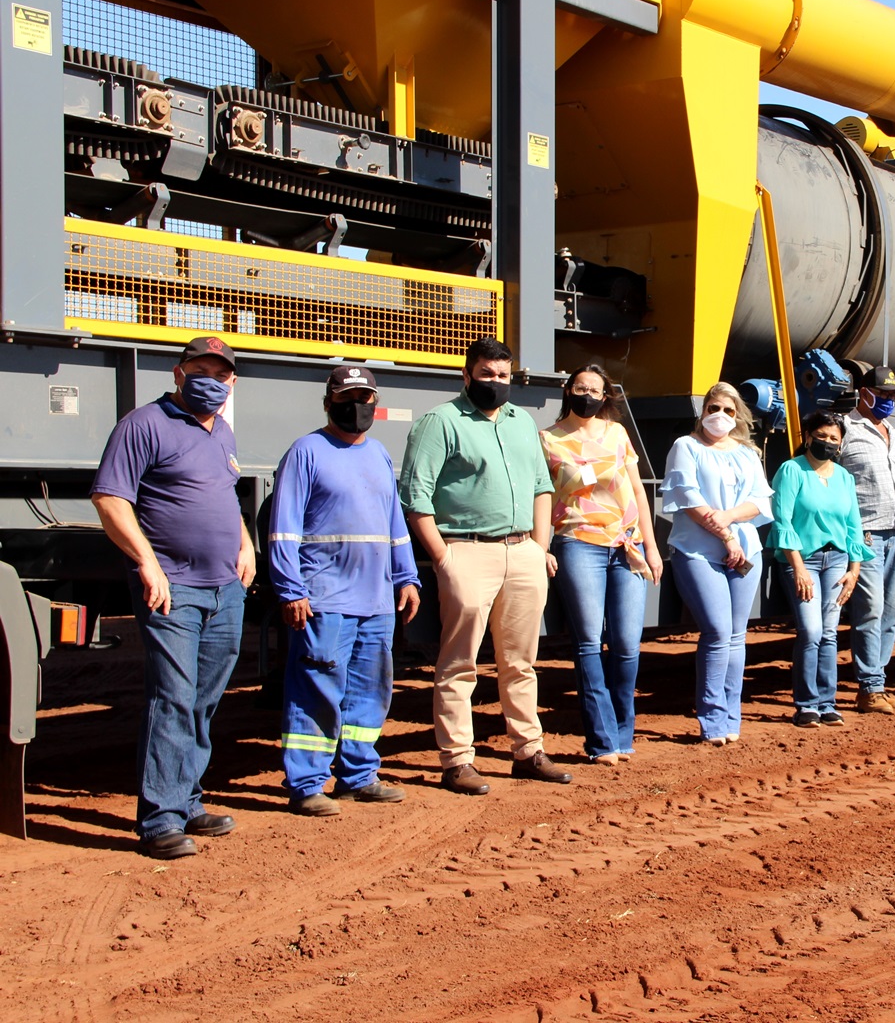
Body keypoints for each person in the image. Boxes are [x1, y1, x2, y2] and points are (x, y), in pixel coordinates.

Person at [90, 336, 256, 859]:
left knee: (204, 699)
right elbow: (110, 498)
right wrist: (147, 563)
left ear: (231, 382)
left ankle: (187, 800)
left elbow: (223, 494)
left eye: (221, 373)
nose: (212, 379)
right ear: (178, 372)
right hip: (173, 588)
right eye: (200, 369)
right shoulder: (142, 425)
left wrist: (246, 542)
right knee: (174, 697)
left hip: (224, 590)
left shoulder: (222, 432)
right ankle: (159, 819)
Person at [399, 336, 571, 795]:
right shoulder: (440, 422)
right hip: (466, 551)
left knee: (522, 661)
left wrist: (540, 546)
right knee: (459, 663)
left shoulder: (521, 423)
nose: (496, 383)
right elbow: (417, 496)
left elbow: (541, 486)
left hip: (524, 553)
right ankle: (457, 760)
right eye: (487, 375)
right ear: (467, 375)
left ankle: (528, 751)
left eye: (503, 376)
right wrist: (444, 558)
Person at [268, 366, 422, 816]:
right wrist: (290, 588)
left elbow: (394, 525)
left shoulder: (378, 455)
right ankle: (307, 784)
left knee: (370, 690)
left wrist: (407, 577)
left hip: (377, 600)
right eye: (348, 396)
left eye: (366, 396)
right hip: (324, 598)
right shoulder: (306, 452)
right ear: (328, 402)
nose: (358, 405)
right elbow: (283, 529)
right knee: (317, 688)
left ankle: (358, 776)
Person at [542, 364, 661, 766]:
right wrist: (542, 546)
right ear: (568, 390)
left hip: (627, 546)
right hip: (578, 543)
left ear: (605, 396)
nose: (588, 394)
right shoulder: (549, 440)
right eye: (581, 387)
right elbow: (542, 497)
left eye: (595, 389)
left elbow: (638, 492)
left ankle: (623, 732)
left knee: (627, 644)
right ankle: (602, 740)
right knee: (589, 642)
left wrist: (652, 545)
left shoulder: (617, 434)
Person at [663, 383, 774, 745]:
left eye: (728, 410)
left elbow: (760, 500)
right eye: (714, 407)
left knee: (737, 636)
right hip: (698, 551)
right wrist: (724, 533)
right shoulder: (686, 446)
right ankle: (711, 719)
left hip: (745, 552)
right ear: (703, 410)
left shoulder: (746, 452)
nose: (720, 416)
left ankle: (731, 717)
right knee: (717, 631)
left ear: (737, 415)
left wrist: (728, 520)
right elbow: (688, 497)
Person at [769, 412, 874, 727]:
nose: (827, 442)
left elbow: (853, 525)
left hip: (837, 562)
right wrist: (798, 568)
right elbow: (782, 521)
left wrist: (855, 569)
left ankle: (827, 704)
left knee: (829, 633)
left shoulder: (844, 477)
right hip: (804, 561)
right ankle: (806, 705)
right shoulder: (792, 470)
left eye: (834, 438)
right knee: (811, 631)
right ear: (808, 435)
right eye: (822, 435)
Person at [839, 366, 895, 715]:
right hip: (866, 532)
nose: (887, 401)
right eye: (882, 394)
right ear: (864, 392)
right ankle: (869, 688)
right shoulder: (845, 428)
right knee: (870, 609)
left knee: (894, 610)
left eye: (892, 396)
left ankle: (878, 681)